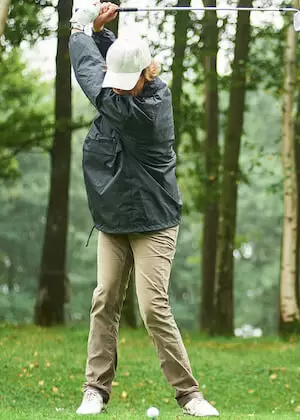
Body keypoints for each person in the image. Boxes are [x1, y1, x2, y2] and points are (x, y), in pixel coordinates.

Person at [67, 1, 219, 417]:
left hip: (153, 220)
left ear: (145, 74)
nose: (115, 87)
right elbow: (109, 66)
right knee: (104, 299)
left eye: (123, 81)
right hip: (115, 217)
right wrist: (99, 33)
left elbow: (91, 78)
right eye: (115, 79)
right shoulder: (125, 84)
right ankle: (95, 389)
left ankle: (190, 395)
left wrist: (79, 31)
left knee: (153, 307)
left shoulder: (147, 110)